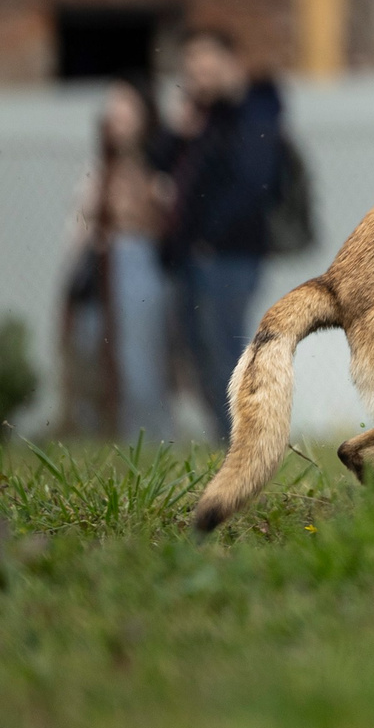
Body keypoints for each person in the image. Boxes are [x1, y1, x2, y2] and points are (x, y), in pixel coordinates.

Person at [161, 26, 285, 439]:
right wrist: (179, 130)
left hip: (230, 252)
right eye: (193, 70)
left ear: (231, 64)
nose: (199, 78)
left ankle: (247, 441)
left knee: (225, 348)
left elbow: (254, 180)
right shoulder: (201, 116)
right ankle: (227, 440)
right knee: (199, 351)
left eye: (208, 67)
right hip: (193, 253)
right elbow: (161, 163)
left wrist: (211, 237)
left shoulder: (256, 106)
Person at [58, 77, 176, 441]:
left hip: (139, 262)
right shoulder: (100, 165)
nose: (115, 115)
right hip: (97, 269)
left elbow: (164, 215)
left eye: (125, 107)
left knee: (139, 363)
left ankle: (149, 442)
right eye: (112, 107)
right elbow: (80, 222)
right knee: (89, 352)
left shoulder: (159, 162)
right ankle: (99, 443)